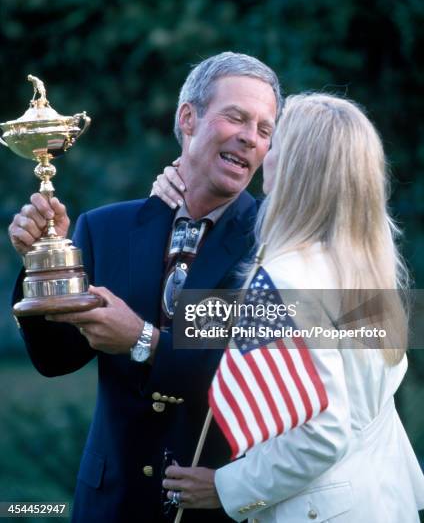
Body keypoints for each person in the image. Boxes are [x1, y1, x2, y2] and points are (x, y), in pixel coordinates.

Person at [8, 52, 282, 522]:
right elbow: (56, 360)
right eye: (236, 117)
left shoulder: (277, 243)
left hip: (215, 508)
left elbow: (254, 373)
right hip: (110, 503)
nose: (250, 137)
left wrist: (142, 341)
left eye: (264, 128)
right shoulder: (105, 227)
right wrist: (40, 265)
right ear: (188, 118)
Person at [156, 93, 424, 521]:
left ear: (298, 168)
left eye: (274, 141)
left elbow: (321, 435)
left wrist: (227, 487)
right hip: (379, 500)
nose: (264, 151)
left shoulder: (287, 275)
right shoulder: (366, 263)